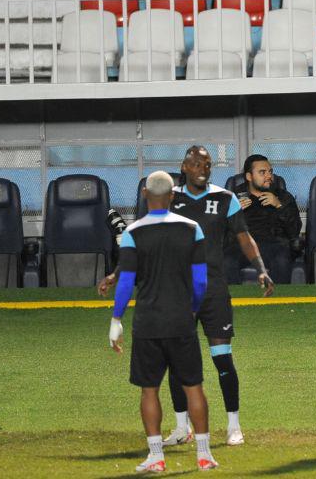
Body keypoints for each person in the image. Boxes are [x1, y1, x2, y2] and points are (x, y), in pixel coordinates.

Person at [100, 146, 273, 447]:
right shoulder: (170, 198)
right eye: (196, 164)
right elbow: (144, 239)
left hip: (213, 290)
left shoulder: (225, 199)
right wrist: (117, 273)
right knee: (177, 362)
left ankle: (233, 425)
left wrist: (260, 268)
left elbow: (244, 237)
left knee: (223, 358)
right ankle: (182, 427)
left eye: (207, 164)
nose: (202, 169)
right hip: (178, 293)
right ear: (184, 167)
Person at [108, 171, 217, 472]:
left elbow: (126, 281)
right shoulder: (192, 228)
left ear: (145, 194)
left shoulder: (133, 232)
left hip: (148, 323)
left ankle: (156, 457)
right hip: (181, 320)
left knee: (149, 390)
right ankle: (204, 454)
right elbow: (200, 282)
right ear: (172, 196)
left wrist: (116, 318)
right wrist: (192, 309)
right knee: (194, 388)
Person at [233, 154, 302, 284]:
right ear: (249, 176)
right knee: (226, 261)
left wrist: (279, 205)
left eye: (270, 171)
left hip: (275, 245)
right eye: (262, 172)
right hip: (242, 245)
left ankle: (279, 297)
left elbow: (295, 230)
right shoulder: (233, 197)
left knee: (282, 259)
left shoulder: (283, 196)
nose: (269, 176)